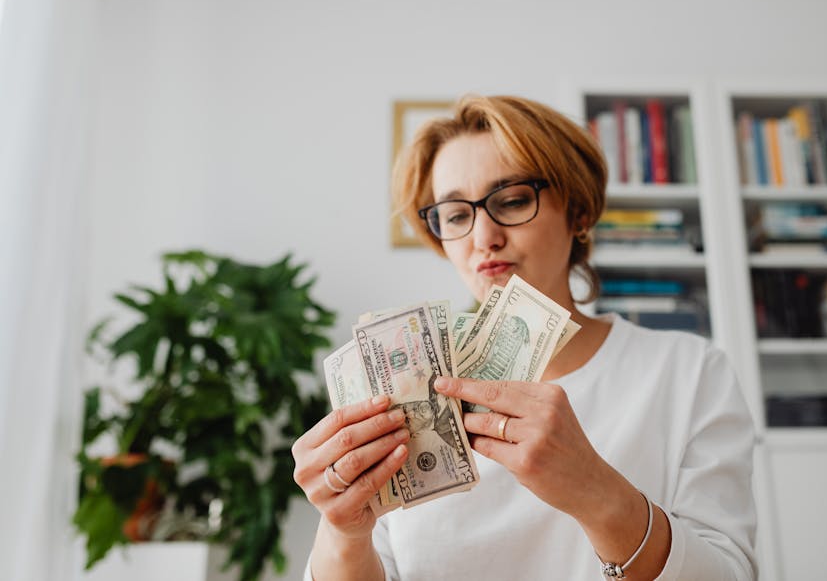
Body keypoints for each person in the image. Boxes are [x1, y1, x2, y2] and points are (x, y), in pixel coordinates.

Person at [291, 95, 757, 580]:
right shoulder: (399, 391)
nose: (483, 236)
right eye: (455, 215)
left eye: (512, 200)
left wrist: (595, 491)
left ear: (577, 212)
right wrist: (344, 534)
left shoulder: (689, 371)